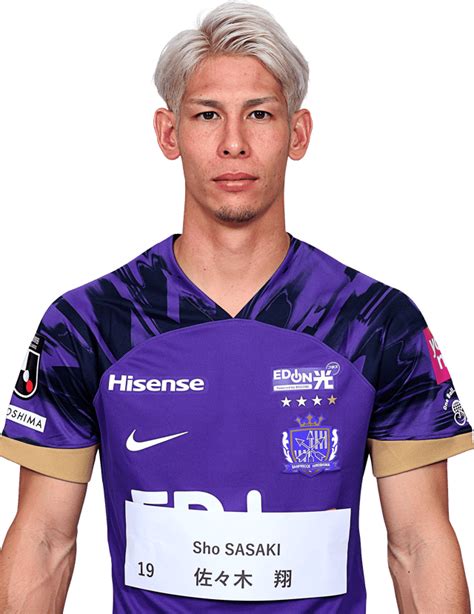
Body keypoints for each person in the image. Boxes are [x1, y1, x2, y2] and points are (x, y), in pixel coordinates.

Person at [0, 1, 472, 612]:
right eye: (206, 114)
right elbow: (44, 541)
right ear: (168, 133)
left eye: (259, 114)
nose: (233, 143)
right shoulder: (90, 324)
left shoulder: (376, 322)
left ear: (297, 133)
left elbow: (418, 544)